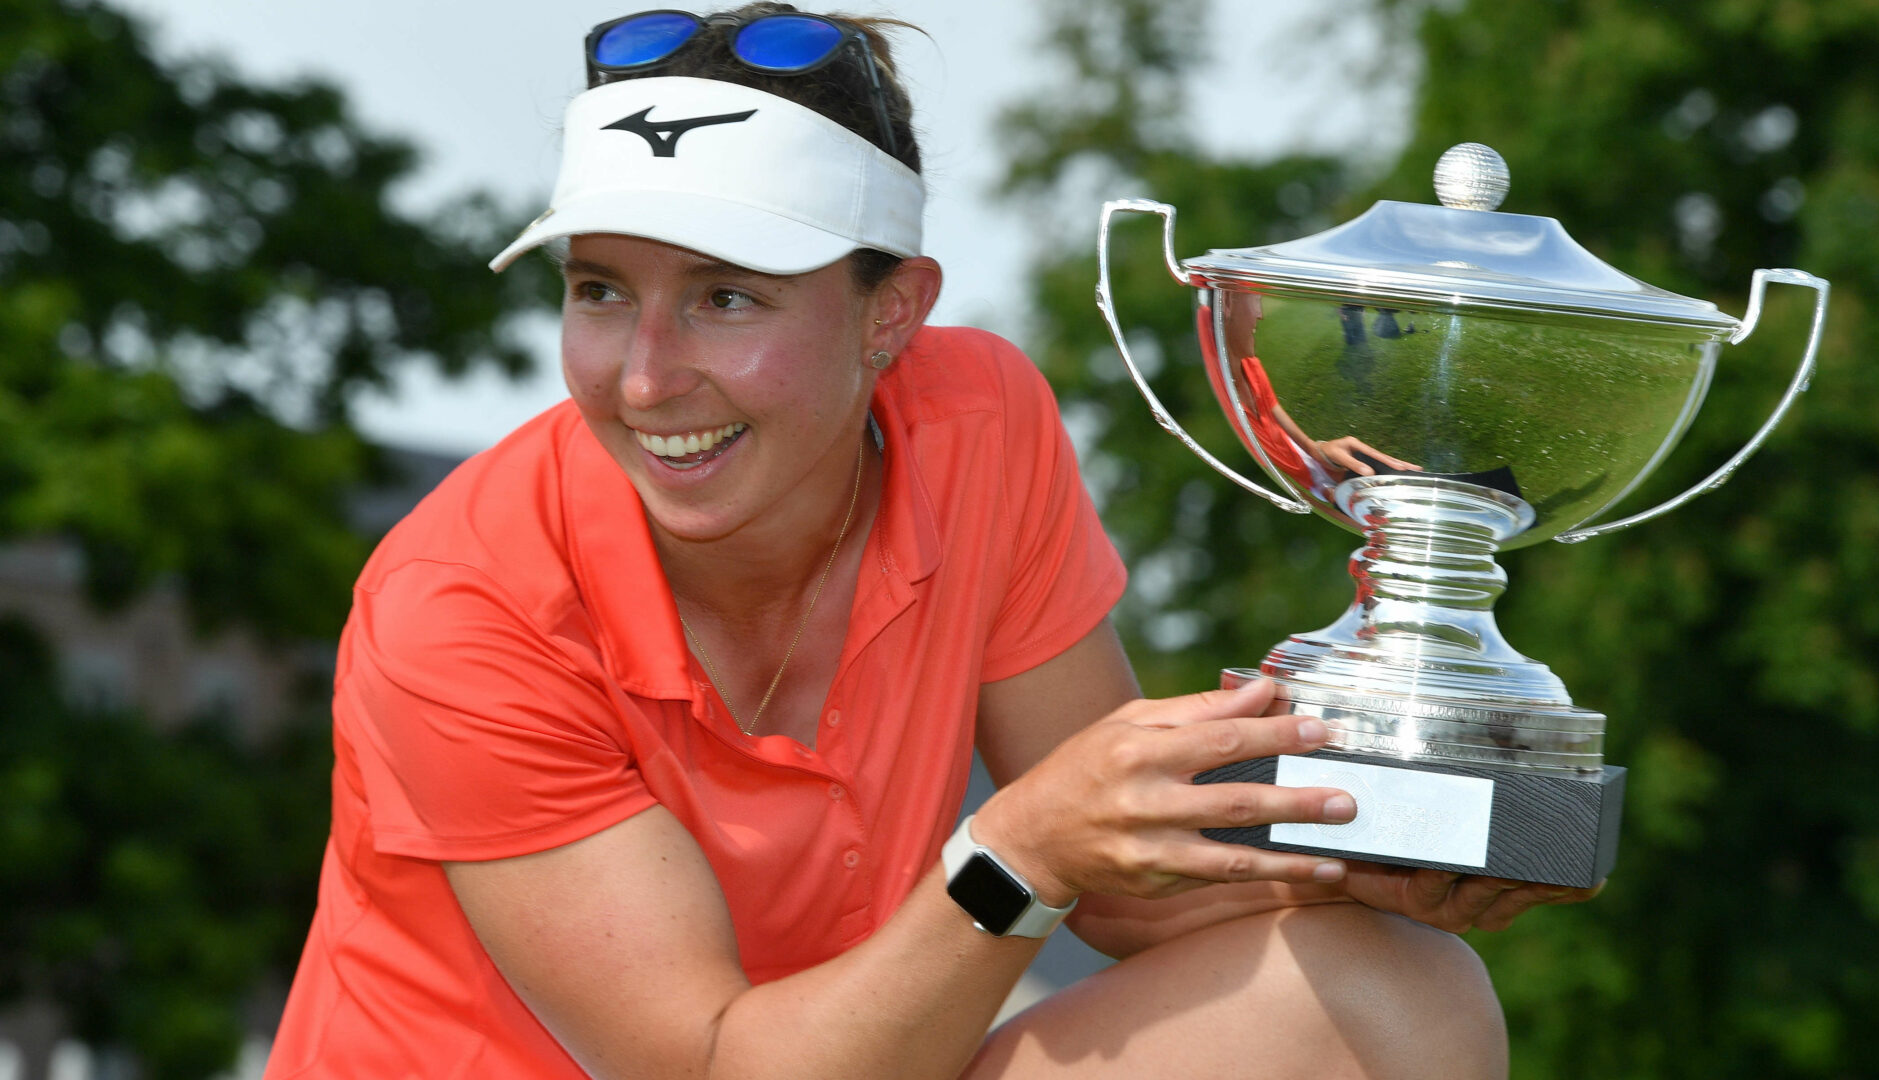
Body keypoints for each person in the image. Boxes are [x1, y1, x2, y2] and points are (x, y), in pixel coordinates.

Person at [264, 6, 1595, 1078]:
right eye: (601, 291)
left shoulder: (980, 423)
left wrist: (1365, 865)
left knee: (1395, 995)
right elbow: (735, 1057)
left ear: (891, 314)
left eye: (727, 297)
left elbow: (1122, 887)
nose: (647, 378)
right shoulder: (458, 608)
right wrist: (1016, 854)